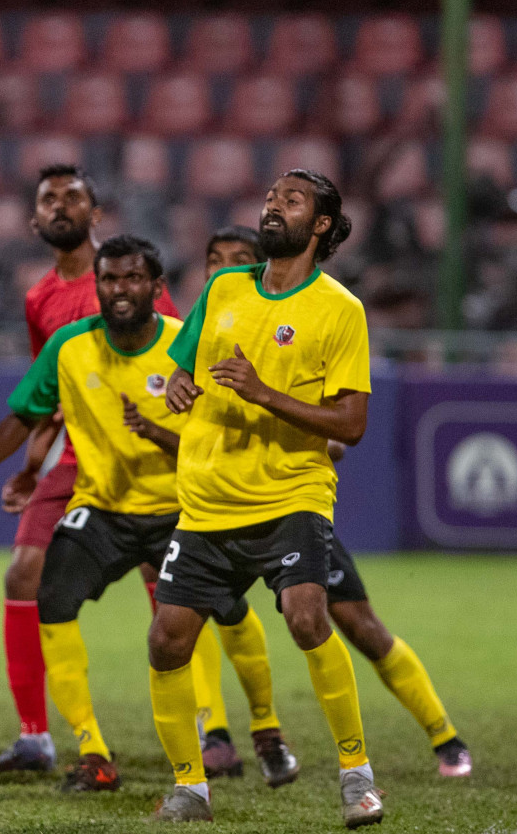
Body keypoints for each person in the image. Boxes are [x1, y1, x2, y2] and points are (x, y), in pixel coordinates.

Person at [148, 170, 384, 826]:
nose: (272, 205)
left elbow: (353, 424)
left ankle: (357, 777)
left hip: (290, 496)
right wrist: (175, 386)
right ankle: (190, 787)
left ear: (321, 227)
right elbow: (183, 363)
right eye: (272, 196)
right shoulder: (224, 287)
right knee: (167, 641)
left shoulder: (340, 310)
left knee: (307, 617)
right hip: (206, 502)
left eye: (292, 200)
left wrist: (265, 395)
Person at [198, 225, 472, 780]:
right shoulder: (197, 334)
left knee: (357, 626)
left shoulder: (309, 317)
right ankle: (249, 736)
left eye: (237, 258)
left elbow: (341, 428)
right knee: (194, 619)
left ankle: (445, 737)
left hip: (290, 506)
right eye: (213, 260)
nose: (221, 269)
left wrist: (310, 437)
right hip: (218, 507)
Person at [0, 165, 178, 774]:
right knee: (22, 577)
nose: (60, 206)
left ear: (96, 213)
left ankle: (203, 725)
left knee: (167, 590)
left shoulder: (128, 279)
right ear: (35, 221)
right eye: (47, 199)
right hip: (76, 456)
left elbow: (174, 359)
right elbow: (50, 394)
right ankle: (36, 737)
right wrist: (32, 463)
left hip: (148, 462)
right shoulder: (40, 299)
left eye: (73, 196)